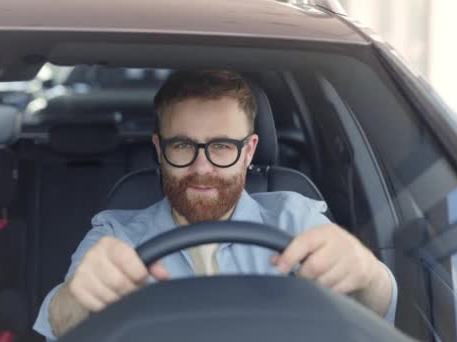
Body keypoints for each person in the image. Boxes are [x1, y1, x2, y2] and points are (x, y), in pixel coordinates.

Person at [33, 70, 398, 340]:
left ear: (249, 151)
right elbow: (61, 324)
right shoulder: (117, 236)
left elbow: (372, 316)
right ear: (160, 150)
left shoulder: (296, 219)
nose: (202, 168)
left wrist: (368, 274)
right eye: (182, 146)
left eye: (222, 146)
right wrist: (78, 298)